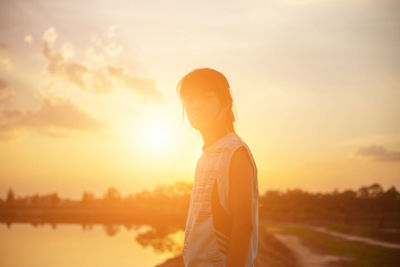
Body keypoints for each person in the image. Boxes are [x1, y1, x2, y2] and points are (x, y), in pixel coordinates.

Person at [177, 68, 259, 267]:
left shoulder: (235, 153)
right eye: (189, 100)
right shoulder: (205, 157)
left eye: (205, 97)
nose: (196, 106)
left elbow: (244, 225)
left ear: (225, 103)